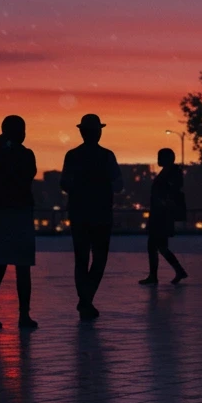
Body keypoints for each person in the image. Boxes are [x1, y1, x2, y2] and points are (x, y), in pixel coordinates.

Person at [60, 114, 123, 321]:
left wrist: (79, 189)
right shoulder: (107, 156)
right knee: (99, 258)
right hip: (101, 215)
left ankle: (85, 300)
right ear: (98, 132)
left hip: (79, 214)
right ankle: (86, 300)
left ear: (81, 132)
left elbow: (64, 184)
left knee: (81, 259)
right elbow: (119, 184)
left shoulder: (72, 155)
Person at [0, 116, 38, 329]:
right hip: (19, 214)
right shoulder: (25, 155)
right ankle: (23, 315)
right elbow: (28, 175)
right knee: (23, 267)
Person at [140, 147, 188, 285]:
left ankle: (156, 275)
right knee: (160, 246)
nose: (158, 160)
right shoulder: (170, 172)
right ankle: (177, 271)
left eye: (160, 157)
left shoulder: (171, 174)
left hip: (162, 215)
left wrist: (163, 201)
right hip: (161, 214)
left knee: (155, 245)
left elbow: (171, 192)